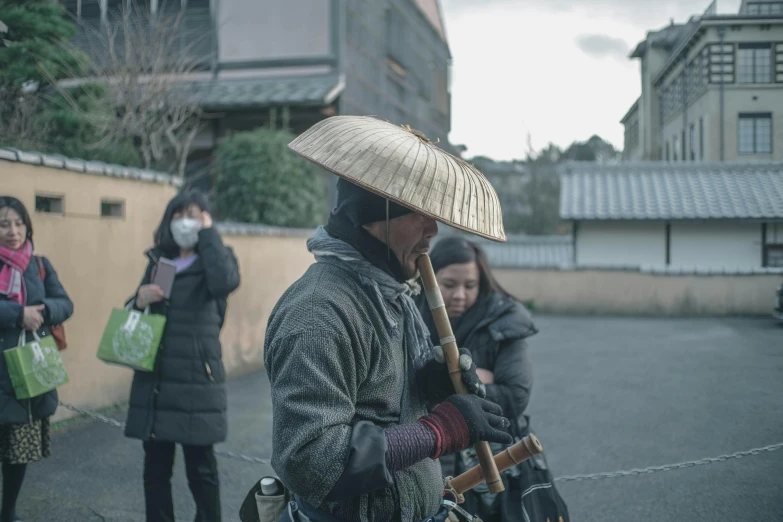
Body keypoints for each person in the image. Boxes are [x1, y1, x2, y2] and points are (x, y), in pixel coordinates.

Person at [416, 236, 569, 522]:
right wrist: (478, 381)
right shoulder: (412, 313)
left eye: (469, 286)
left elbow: (515, 396)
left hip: (495, 458)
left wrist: (458, 387)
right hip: (428, 454)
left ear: (482, 282)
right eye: (448, 285)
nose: (460, 295)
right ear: (430, 280)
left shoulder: (504, 318)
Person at [124, 189, 240, 522]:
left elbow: (225, 283)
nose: (184, 222)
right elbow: (145, 315)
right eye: (178, 214)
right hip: (157, 379)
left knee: (201, 470)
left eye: (193, 214)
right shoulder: (162, 263)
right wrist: (140, 299)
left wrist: (208, 234)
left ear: (206, 220)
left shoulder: (216, 259)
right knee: (155, 471)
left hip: (196, 380)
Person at [0, 196, 73, 522]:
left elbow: (65, 304)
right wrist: (18, 314)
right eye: (4, 224)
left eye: (18, 223)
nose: (13, 231)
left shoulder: (39, 264)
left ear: (27, 226)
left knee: (19, 451)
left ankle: (9, 509)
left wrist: (42, 312)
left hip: (28, 373)